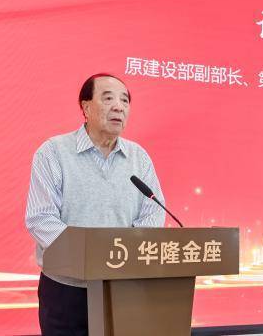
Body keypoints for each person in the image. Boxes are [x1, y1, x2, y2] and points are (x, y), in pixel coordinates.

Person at [25, 73, 165, 335]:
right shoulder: (54, 152)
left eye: (125, 100)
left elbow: (153, 213)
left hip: (122, 287)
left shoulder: (139, 157)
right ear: (86, 107)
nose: (119, 107)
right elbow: (41, 218)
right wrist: (89, 256)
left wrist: (122, 254)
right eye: (108, 98)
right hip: (67, 291)